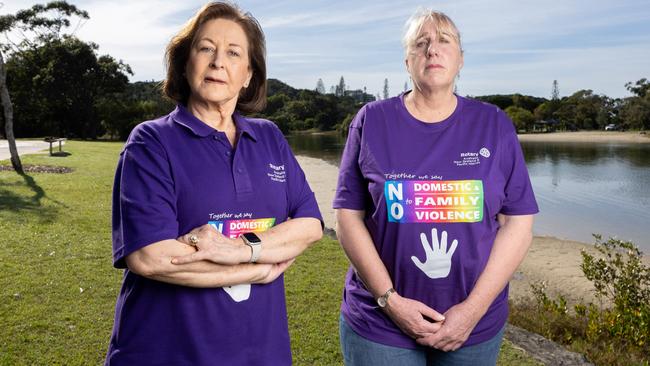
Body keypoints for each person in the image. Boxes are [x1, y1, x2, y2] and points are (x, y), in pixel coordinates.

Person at [105, 2, 323, 365]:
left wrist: (239, 249)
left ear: (248, 74)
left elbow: (310, 225)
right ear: (185, 62)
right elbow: (151, 257)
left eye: (233, 53)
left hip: (261, 352)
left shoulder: (269, 138)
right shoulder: (150, 143)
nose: (218, 62)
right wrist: (260, 267)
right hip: (166, 353)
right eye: (206, 48)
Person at [333, 8, 538, 366]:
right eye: (421, 43)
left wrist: (472, 311)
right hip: (380, 324)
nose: (432, 50)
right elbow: (348, 218)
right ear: (407, 61)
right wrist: (390, 301)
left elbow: (517, 224)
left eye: (445, 41)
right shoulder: (372, 120)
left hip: (473, 327)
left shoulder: (494, 124)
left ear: (460, 60)